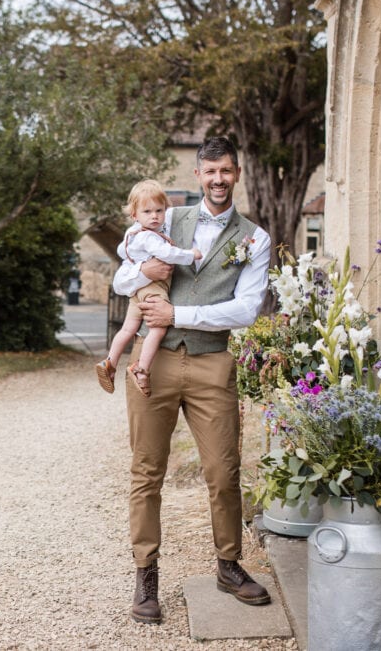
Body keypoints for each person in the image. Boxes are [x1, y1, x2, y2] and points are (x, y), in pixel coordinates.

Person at [111, 137, 273, 624]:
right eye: (210, 171)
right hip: (153, 363)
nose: (218, 179)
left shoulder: (254, 238)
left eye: (226, 171)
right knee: (147, 471)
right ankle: (146, 574)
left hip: (212, 363)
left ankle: (228, 564)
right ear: (199, 174)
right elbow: (122, 280)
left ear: (237, 174)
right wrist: (143, 268)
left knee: (224, 472)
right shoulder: (166, 218)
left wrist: (179, 311)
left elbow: (246, 310)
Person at [95, 180, 202, 397]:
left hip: (137, 293)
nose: (154, 216)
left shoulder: (132, 235)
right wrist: (191, 254)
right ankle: (141, 369)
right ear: (135, 215)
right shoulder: (148, 237)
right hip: (153, 289)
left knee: (127, 329)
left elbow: (122, 252)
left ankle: (109, 362)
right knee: (158, 328)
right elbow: (169, 255)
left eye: (159, 211)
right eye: (147, 211)